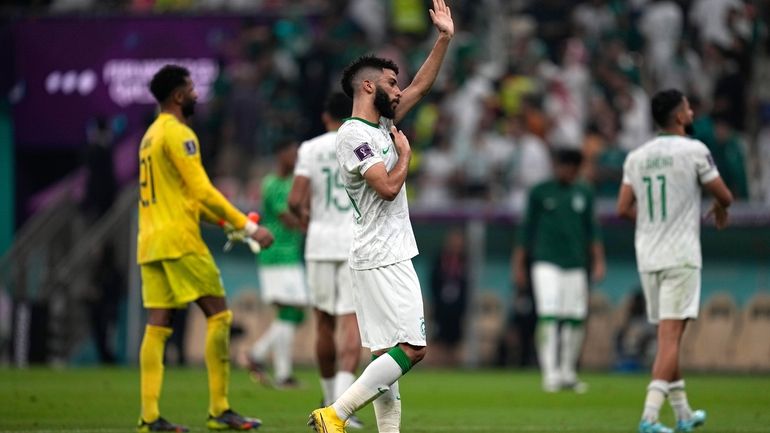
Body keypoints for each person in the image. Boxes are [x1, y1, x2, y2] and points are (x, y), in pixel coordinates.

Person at [308, 1, 454, 431]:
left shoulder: (379, 129)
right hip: (382, 254)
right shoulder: (355, 135)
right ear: (369, 88)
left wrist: (444, 38)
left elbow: (422, 89)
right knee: (412, 348)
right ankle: (335, 413)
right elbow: (388, 187)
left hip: (376, 253)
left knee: (385, 356)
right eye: (392, 83)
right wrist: (406, 155)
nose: (399, 89)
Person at [136, 64, 273, 432]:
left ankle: (149, 417)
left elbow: (185, 199)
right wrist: (247, 226)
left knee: (158, 324)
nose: (197, 94)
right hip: (180, 241)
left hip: (150, 241)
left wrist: (231, 226)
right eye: (192, 88)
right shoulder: (181, 134)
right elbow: (202, 191)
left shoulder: (150, 136)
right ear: (179, 96)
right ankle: (219, 409)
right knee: (219, 315)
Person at [616, 89, 733, 433]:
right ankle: (649, 418)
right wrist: (721, 208)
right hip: (681, 256)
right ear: (679, 116)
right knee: (669, 339)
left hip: (648, 255)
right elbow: (724, 195)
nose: (692, 111)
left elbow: (623, 208)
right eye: (688, 107)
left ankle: (682, 415)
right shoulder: (695, 150)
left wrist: (653, 222)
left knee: (670, 337)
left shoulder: (637, 156)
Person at [285, 92, 366, 428]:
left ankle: (327, 397)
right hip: (353, 241)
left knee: (323, 323)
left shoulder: (309, 148)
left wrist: (306, 219)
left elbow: (294, 199)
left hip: (319, 242)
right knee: (351, 323)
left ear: (324, 117)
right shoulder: (360, 142)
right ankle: (343, 407)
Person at [512, 148, 606, 393]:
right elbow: (525, 232)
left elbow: (593, 231)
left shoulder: (585, 192)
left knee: (575, 317)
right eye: (562, 165)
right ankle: (550, 373)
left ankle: (568, 371)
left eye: (571, 167)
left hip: (576, 264)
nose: (565, 171)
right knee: (549, 315)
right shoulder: (540, 192)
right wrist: (519, 265)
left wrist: (598, 261)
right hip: (546, 262)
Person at [247, 140, 308, 389]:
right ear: (279, 154)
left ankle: (262, 357)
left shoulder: (296, 182)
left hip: (290, 253)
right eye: (291, 152)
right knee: (291, 309)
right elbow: (288, 218)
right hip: (274, 254)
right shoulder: (271, 184)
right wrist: (316, 222)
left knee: (293, 312)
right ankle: (279, 371)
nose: (294, 156)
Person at [428, 229, 469, 366]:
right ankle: (439, 366)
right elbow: (433, 281)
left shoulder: (464, 261)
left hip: (457, 308)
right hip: (441, 307)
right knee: (439, 339)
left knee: (455, 340)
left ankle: (453, 365)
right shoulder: (440, 258)